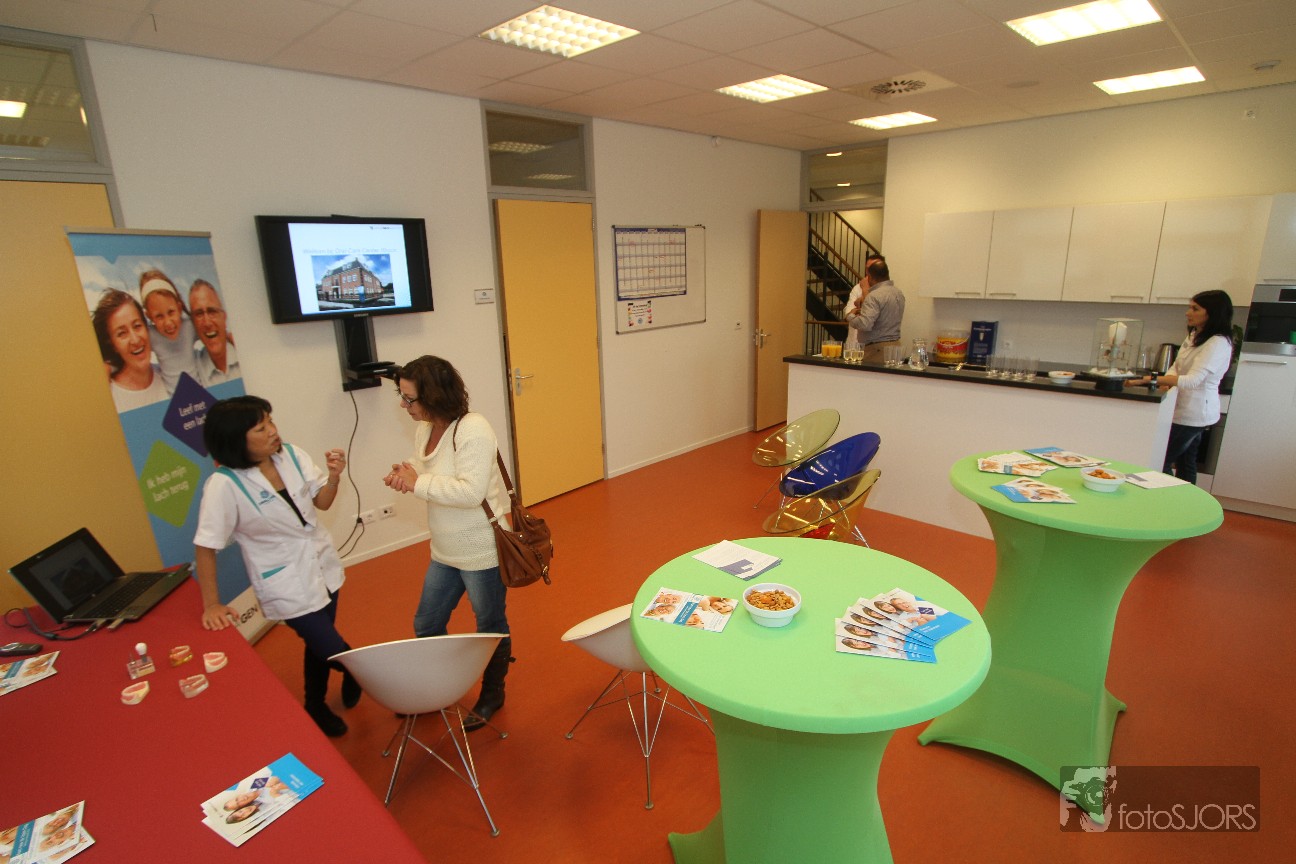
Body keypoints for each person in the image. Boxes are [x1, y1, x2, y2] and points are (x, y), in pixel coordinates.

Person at [193, 395, 360, 736]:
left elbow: (322, 504)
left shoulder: (292, 455)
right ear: (236, 440)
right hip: (285, 582)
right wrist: (211, 604)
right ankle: (364, 672)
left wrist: (333, 477)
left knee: (319, 644)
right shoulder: (224, 485)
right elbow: (206, 546)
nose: (272, 430)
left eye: (270, 421)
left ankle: (315, 705)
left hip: (322, 566)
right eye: (261, 428)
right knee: (329, 646)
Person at [384, 355, 513, 732]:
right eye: (401, 396)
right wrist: (407, 471)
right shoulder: (426, 428)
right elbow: (424, 466)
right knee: (427, 623)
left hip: (481, 551)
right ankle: (440, 688)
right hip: (444, 549)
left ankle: (493, 693)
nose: (403, 405)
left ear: (435, 396)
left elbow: (471, 493)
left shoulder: (474, 429)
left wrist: (418, 483)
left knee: (490, 626)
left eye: (409, 398)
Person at [1128, 290, 1234, 484]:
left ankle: (1169, 495)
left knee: (1160, 461)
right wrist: (1166, 380)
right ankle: (1187, 500)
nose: (1188, 312)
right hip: (1182, 408)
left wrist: (1151, 379)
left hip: (1194, 413)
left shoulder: (1217, 343)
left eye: (1195, 309)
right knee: (1186, 463)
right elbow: (1177, 367)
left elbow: (1193, 380)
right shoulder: (1196, 334)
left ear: (1212, 313)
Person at [91, 288, 169, 412]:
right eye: (122, 333)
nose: (135, 340)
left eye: (137, 326)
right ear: (112, 344)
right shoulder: (108, 396)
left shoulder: (170, 377)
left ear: (147, 328)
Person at [138, 269, 200, 391]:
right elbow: (129, 355)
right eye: (159, 316)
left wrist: (231, 337)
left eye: (171, 312)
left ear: (179, 308)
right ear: (149, 316)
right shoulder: (151, 335)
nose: (168, 323)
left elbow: (214, 332)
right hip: (172, 397)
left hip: (199, 391)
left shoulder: (189, 326)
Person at [843, 256, 905, 362]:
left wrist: (850, 316)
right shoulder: (898, 293)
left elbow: (865, 324)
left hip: (877, 349)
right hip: (895, 347)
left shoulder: (873, 296)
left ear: (870, 277)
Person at [189, 279, 241, 386]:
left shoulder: (245, 353)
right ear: (193, 324)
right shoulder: (193, 370)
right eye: (199, 314)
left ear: (224, 317)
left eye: (212, 311)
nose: (207, 323)